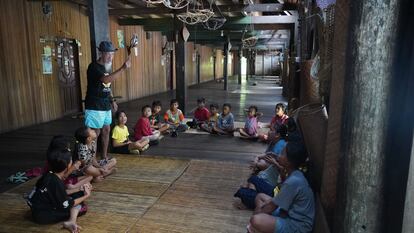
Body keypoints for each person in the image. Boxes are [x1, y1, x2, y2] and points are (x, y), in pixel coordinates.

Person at [248, 142, 314, 233]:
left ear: (289, 161)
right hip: (287, 213)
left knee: (256, 220)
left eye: (282, 153)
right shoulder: (295, 174)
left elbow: (272, 207)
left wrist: (255, 218)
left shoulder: (294, 181)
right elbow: (280, 195)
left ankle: (253, 228)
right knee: (260, 197)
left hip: (297, 226)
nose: (279, 155)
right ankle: (255, 228)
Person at [84, 41, 131, 160]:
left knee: (106, 130)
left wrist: (112, 100)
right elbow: (105, 80)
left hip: (105, 104)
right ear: (101, 53)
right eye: (108, 54)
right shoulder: (94, 66)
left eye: (112, 54)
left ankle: (104, 157)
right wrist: (122, 69)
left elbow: (108, 86)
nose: (111, 57)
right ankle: (92, 161)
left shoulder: (107, 67)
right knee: (95, 133)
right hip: (94, 104)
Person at [27, 149, 93, 233]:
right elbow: (67, 204)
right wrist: (86, 195)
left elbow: (59, 193)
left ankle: (71, 221)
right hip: (44, 216)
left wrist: (80, 189)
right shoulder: (56, 182)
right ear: (67, 166)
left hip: (38, 211)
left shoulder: (50, 175)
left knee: (78, 193)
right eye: (71, 161)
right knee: (82, 208)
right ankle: (71, 221)